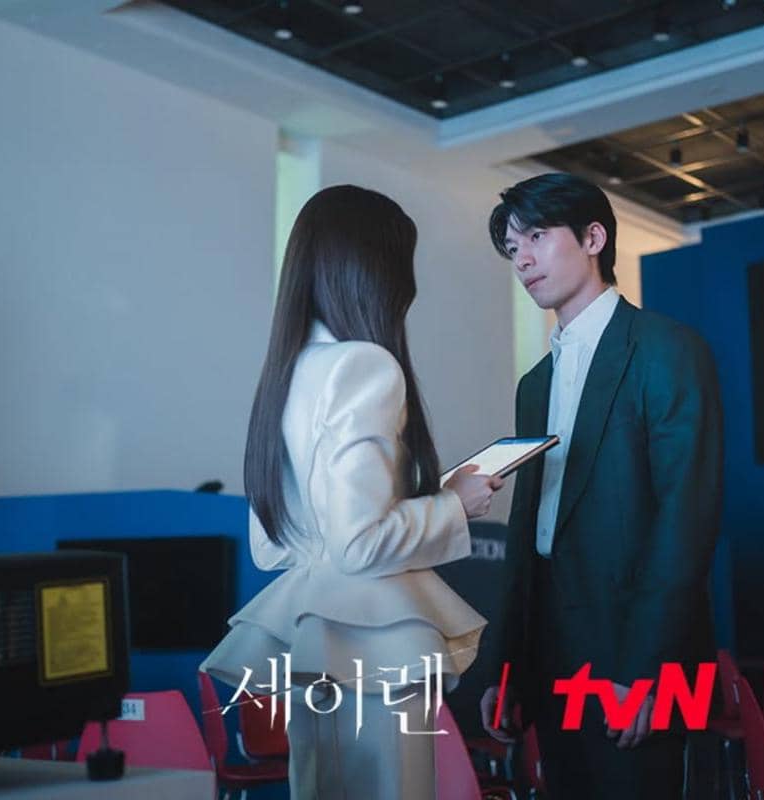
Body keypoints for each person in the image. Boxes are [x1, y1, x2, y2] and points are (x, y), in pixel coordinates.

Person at [201, 185, 501, 800]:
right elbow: (360, 543)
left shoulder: (285, 375)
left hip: (312, 634)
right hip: (376, 641)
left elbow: (273, 546)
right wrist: (455, 505)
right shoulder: (365, 365)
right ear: (377, 272)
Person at [479, 173, 723, 797]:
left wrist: (647, 672)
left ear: (594, 238)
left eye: (537, 236)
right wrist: (504, 669)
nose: (522, 259)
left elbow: (685, 523)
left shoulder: (668, 350)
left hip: (643, 653)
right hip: (549, 653)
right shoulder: (534, 383)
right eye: (512, 248)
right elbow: (527, 533)